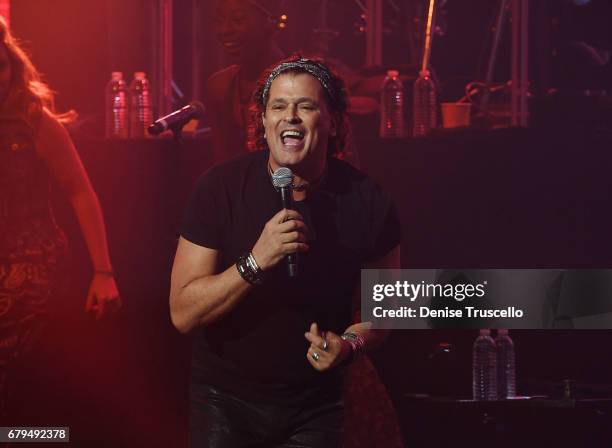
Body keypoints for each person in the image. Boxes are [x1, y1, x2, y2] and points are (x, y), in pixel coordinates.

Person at [171, 54, 400, 446]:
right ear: (262, 120)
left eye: (306, 106)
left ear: (332, 121)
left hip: (316, 407)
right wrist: (256, 261)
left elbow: (387, 312)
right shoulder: (220, 189)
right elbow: (183, 312)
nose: (290, 117)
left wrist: (349, 346)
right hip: (225, 401)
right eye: (278, 106)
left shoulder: (368, 201)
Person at [0, 16, 121, 418]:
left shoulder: (34, 120)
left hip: (32, 263)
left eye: (2, 66)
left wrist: (103, 272)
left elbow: (80, 193)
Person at [205, 0, 284, 163]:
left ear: (270, 23)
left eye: (238, 19)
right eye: (220, 21)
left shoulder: (300, 85)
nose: (225, 30)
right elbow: (221, 168)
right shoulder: (220, 87)